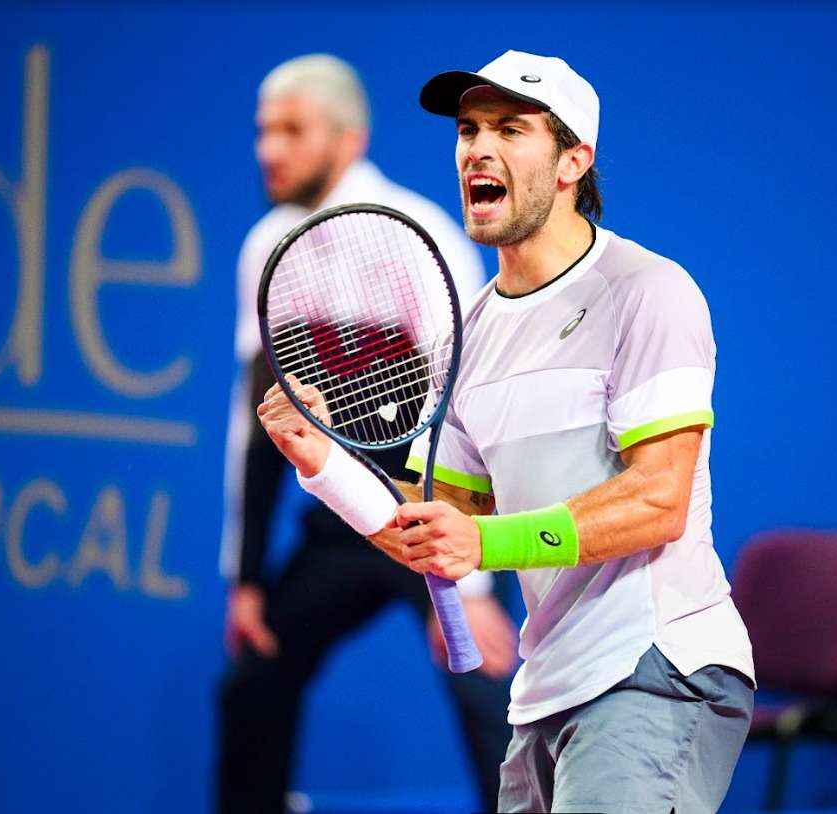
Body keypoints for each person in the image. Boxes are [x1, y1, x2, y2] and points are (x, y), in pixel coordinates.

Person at [257, 50, 756, 814]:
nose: (477, 149)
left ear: (572, 161)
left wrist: (484, 543)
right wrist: (322, 460)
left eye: (510, 130)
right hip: (546, 691)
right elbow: (434, 530)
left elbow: (659, 500)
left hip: (655, 668)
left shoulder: (647, 292)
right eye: (468, 130)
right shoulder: (468, 335)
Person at [216, 54, 517, 814]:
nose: (268, 149)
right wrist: (246, 579)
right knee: (253, 682)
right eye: (263, 130)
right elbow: (257, 421)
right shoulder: (264, 248)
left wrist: (472, 581)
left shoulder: (418, 235)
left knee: (488, 695)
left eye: (292, 130)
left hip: (441, 511)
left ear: (348, 139)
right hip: (342, 524)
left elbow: (467, 409)